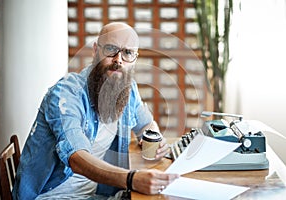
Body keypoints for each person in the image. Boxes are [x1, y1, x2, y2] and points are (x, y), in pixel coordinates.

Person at [12, 22, 179, 199]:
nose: (118, 60)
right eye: (110, 49)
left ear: (135, 59)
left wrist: (154, 139)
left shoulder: (127, 89)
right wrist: (131, 179)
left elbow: (146, 124)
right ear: (95, 50)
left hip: (97, 193)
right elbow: (77, 157)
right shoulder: (66, 94)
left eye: (127, 53)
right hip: (51, 195)